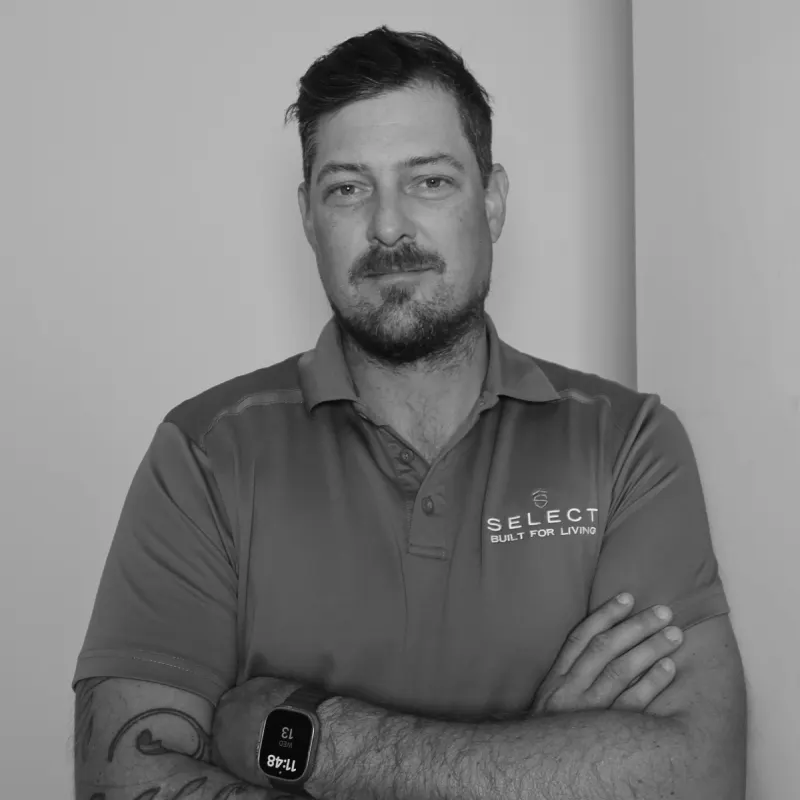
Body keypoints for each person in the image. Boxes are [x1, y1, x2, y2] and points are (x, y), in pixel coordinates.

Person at [72, 25, 747, 800]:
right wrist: (541, 759)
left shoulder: (628, 443)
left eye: (429, 181)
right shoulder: (203, 455)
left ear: (492, 202)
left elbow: (701, 773)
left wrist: (306, 742)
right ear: (307, 216)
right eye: (348, 188)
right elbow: (122, 780)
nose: (388, 227)